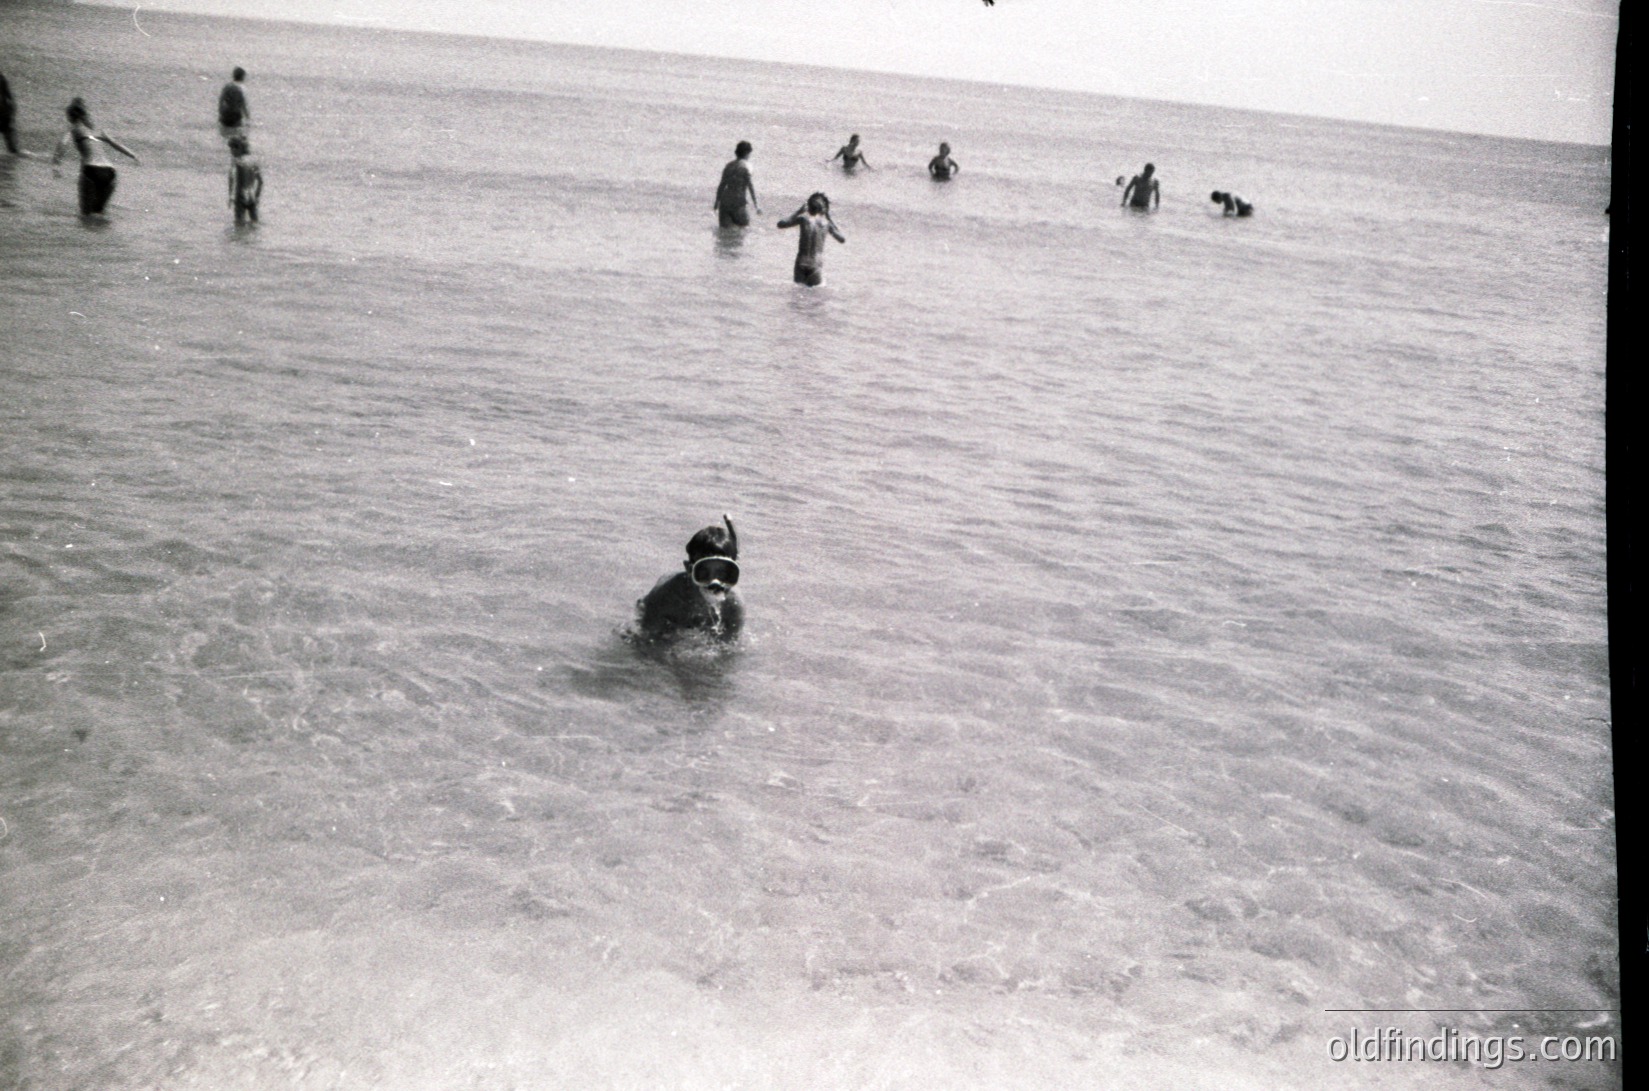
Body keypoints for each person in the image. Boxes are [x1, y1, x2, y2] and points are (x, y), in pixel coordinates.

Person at [636, 516, 744, 640]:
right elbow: (646, 637)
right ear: (689, 569)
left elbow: (730, 649)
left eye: (722, 573)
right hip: (662, 614)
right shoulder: (667, 595)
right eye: (703, 572)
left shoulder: (734, 604)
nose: (714, 582)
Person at [51, 99, 139, 216]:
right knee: (100, 213)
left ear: (71, 116)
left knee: (85, 214)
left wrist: (56, 163)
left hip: (91, 170)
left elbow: (63, 143)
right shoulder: (97, 130)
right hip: (110, 172)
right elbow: (115, 143)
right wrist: (133, 155)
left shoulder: (74, 128)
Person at [777, 192, 845, 287]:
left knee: (798, 296)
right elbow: (842, 239)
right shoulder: (827, 224)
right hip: (815, 264)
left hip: (801, 263)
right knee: (816, 299)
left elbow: (781, 224)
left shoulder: (803, 219)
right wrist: (829, 217)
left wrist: (798, 212)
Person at [713, 141, 760, 228]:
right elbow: (750, 186)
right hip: (738, 203)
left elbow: (722, 185)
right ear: (747, 153)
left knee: (724, 235)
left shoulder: (728, 166)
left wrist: (717, 202)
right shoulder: (747, 166)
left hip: (725, 203)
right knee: (743, 232)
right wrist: (756, 204)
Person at [227, 135, 263, 223]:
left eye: (233, 148)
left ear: (240, 148)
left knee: (238, 225)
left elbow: (233, 180)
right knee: (255, 224)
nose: (231, 151)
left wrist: (231, 197)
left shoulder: (237, 162)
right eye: (231, 148)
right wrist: (257, 196)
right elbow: (260, 182)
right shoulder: (254, 161)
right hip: (252, 196)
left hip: (240, 196)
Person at [218, 67, 249, 134]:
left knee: (225, 135)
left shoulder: (227, 86)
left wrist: (220, 113)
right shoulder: (241, 88)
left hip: (226, 114)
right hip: (236, 115)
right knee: (236, 134)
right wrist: (247, 117)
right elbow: (243, 104)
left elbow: (221, 101)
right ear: (243, 77)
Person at [1, 71, 25, 156]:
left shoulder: (2, 78)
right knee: (13, 149)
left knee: (12, 147)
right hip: (5, 112)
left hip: (4, 113)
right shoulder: (1, 77)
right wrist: (12, 112)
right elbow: (10, 97)